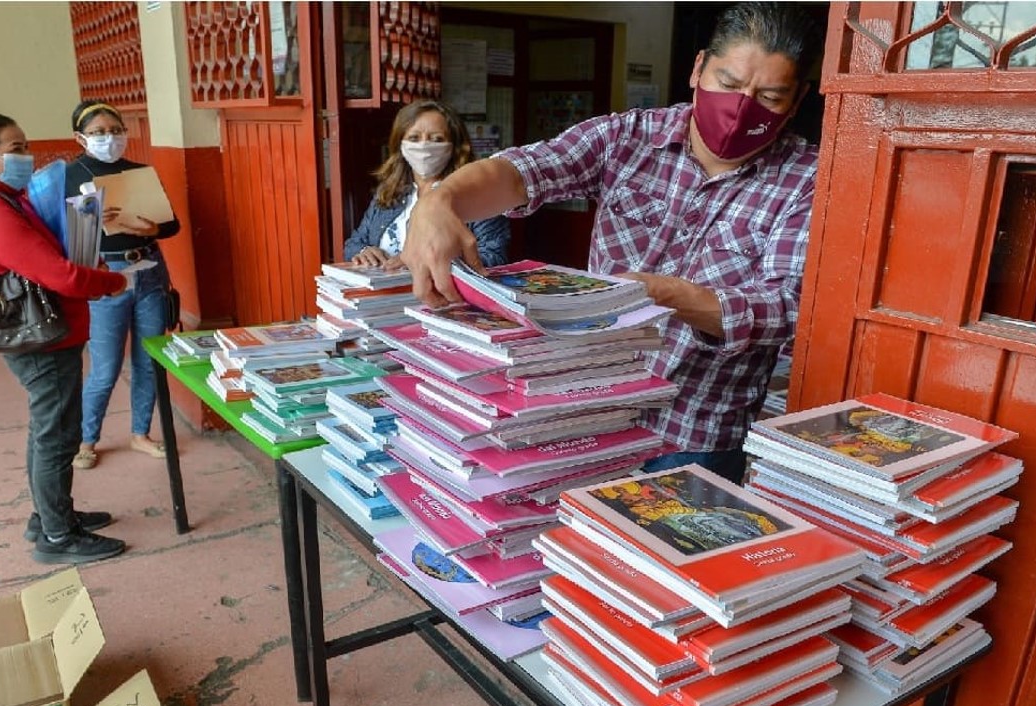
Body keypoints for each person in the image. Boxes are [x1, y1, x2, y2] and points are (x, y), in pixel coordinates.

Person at [400, 2, 819, 484]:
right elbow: (527, 170)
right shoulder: (628, 137)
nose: (742, 108)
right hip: (588, 412)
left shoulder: (806, 180)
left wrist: (665, 295)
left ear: (798, 98)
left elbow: (786, 310)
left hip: (694, 436)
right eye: (727, 84)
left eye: (768, 96)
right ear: (699, 67)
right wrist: (440, 202)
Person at [0, 111, 130, 564]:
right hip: (41, 340)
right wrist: (112, 282)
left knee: (50, 431)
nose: (28, 156)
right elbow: (56, 274)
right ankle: (58, 538)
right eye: (15, 149)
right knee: (58, 435)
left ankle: (49, 517)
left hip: (44, 332)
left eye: (26, 145)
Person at [64, 101, 181, 470]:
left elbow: (171, 224)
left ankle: (140, 433)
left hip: (148, 271)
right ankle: (86, 440)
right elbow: (69, 241)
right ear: (80, 137)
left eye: (115, 130)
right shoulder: (70, 175)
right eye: (98, 133)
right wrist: (92, 222)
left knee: (149, 360)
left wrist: (154, 230)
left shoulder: (140, 171)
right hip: (106, 277)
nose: (109, 138)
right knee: (105, 367)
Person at [343, 99, 509, 269]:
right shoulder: (389, 192)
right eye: (414, 138)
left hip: (443, 294)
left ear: (455, 146)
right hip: (384, 293)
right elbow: (353, 243)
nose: (423, 146)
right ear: (400, 144)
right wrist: (364, 250)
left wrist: (438, 261)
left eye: (436, 139)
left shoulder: (478, 194)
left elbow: (494, 256)